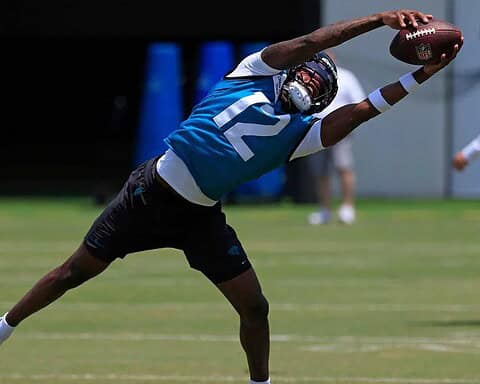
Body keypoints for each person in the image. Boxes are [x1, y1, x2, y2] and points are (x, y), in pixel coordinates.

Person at [0, 9, 461, 384]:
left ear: (323, 102)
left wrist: (422, 74)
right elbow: (312, 42)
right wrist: (377, 20)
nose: (313, 84)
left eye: (323, 87)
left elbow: (364, 109)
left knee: (255, 307)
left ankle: (260, 383)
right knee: (72, 273)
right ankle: (4, 327)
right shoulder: (251, 73)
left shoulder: (301, 135)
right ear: (293, 71)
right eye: (312, 75)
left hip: (200, 218)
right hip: (150, 192)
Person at [307, 50, 365, 225]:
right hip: (316, 129)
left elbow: (359, 101)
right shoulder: (310, 77)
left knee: (343, 167)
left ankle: (347, 208)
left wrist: (348, 123)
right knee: (321, 172)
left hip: (340, 130)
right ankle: (325, 209)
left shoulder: (346, 77)